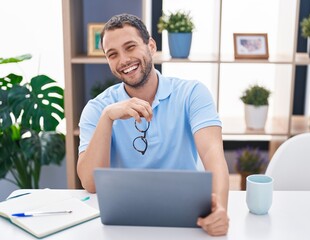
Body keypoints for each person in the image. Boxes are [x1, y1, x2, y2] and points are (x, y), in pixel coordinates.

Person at [77, 13, 229, 236]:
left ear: (150, 46)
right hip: (125, 221)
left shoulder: (192, 93)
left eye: (130, 47)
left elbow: (213, 156)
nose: (124, 60)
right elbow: (90, 184)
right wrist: (107, 118)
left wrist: (221, 210)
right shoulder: (98, 108)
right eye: (113, 54)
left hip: (188, 216)